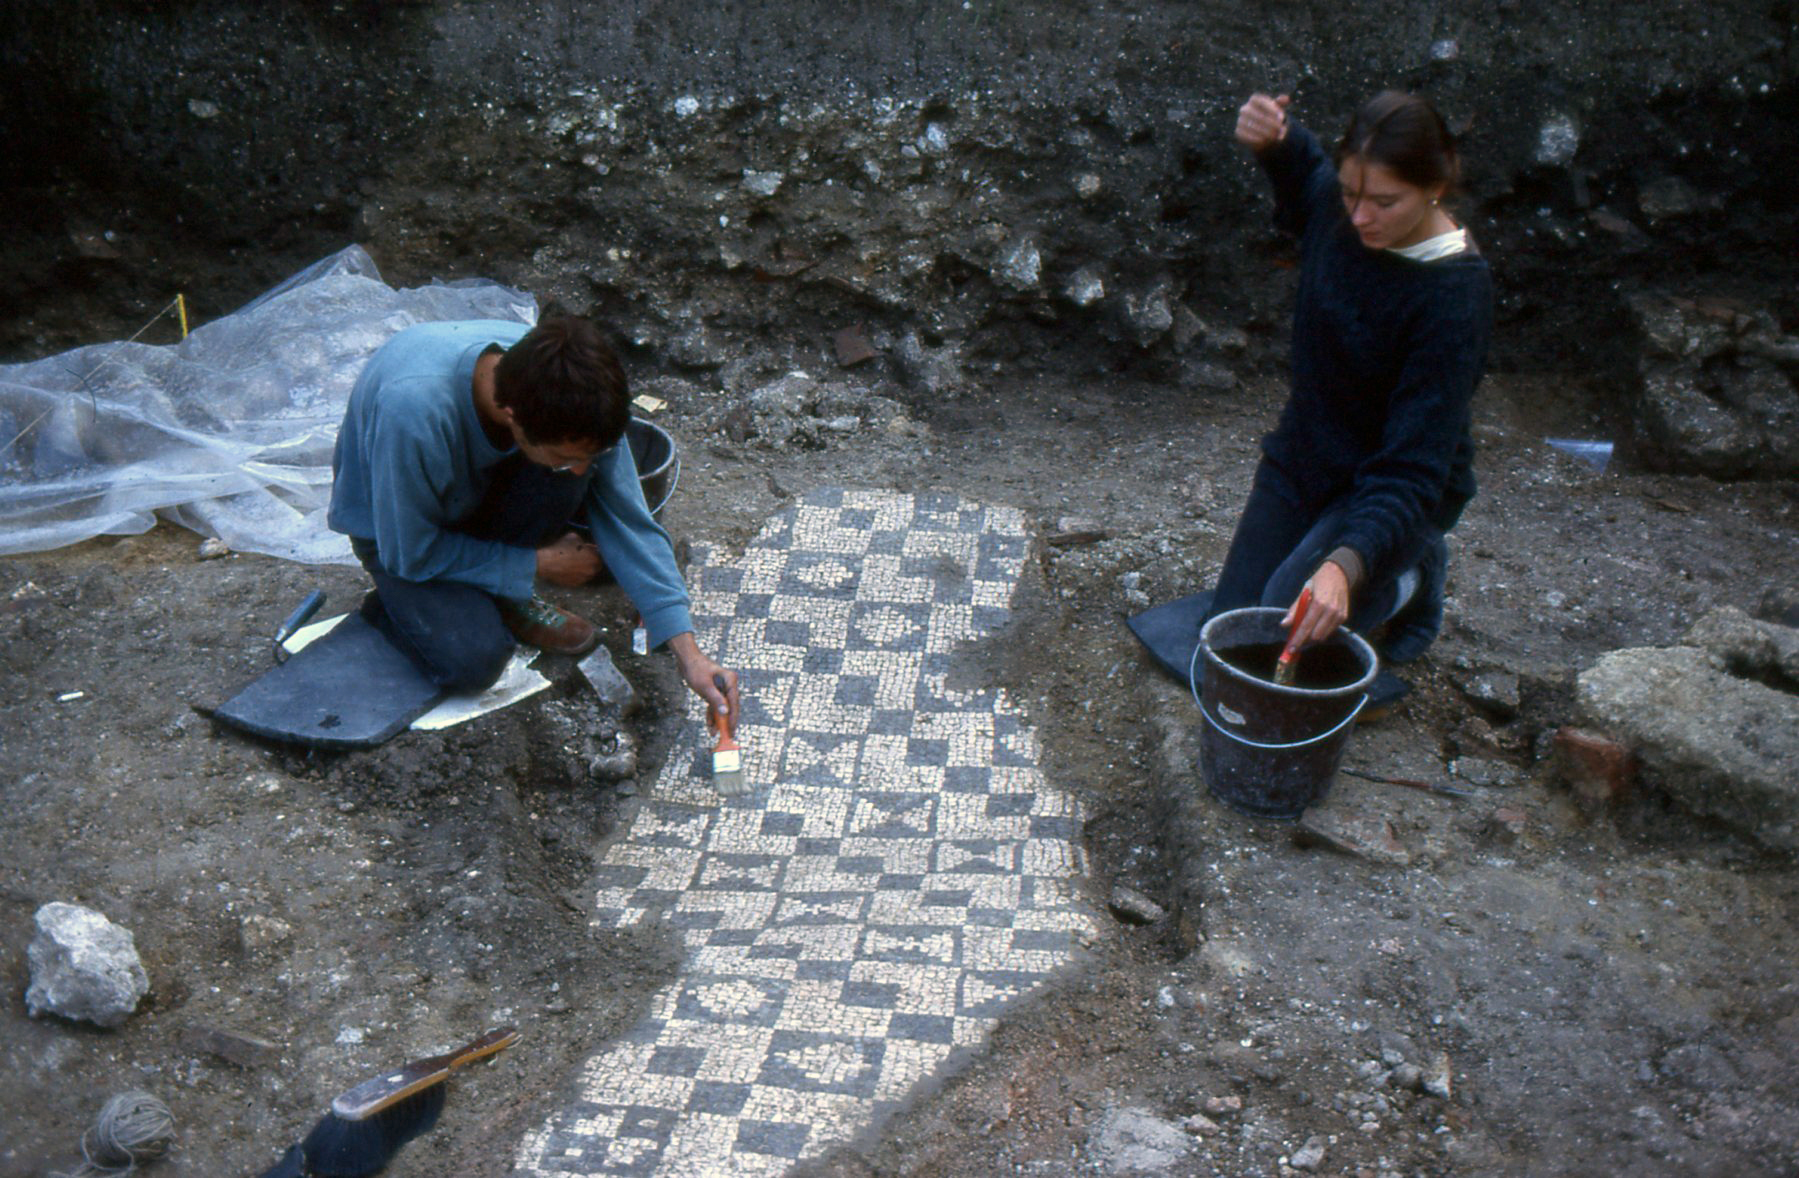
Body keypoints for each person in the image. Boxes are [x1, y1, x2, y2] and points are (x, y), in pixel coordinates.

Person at [1210, 89, 1493, 682]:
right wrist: (1276, 141)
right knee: (1236, 634)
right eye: (1351, 192)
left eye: (1385, 201)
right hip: (1306, 454)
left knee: (1291, 634)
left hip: (1396, 482)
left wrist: (1351, 561)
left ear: (1435, 184)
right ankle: (1368, 562)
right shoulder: (1341, 208)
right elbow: (1308, 177)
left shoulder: (1453, 296)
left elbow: (1412, 467)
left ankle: (1413, 573)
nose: (1359, 216)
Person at [327, 315, 738, 719]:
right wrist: (534, 563)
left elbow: (630, 521)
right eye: (565, 457)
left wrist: (690, 656)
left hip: (474, 494)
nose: (579, 471)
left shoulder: (570, 387)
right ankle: (393, 608)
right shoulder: (414, 413)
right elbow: (409, 552)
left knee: (573, 475)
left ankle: (500, 593)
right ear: (510, 414)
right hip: (395, 532)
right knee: (474, 663)